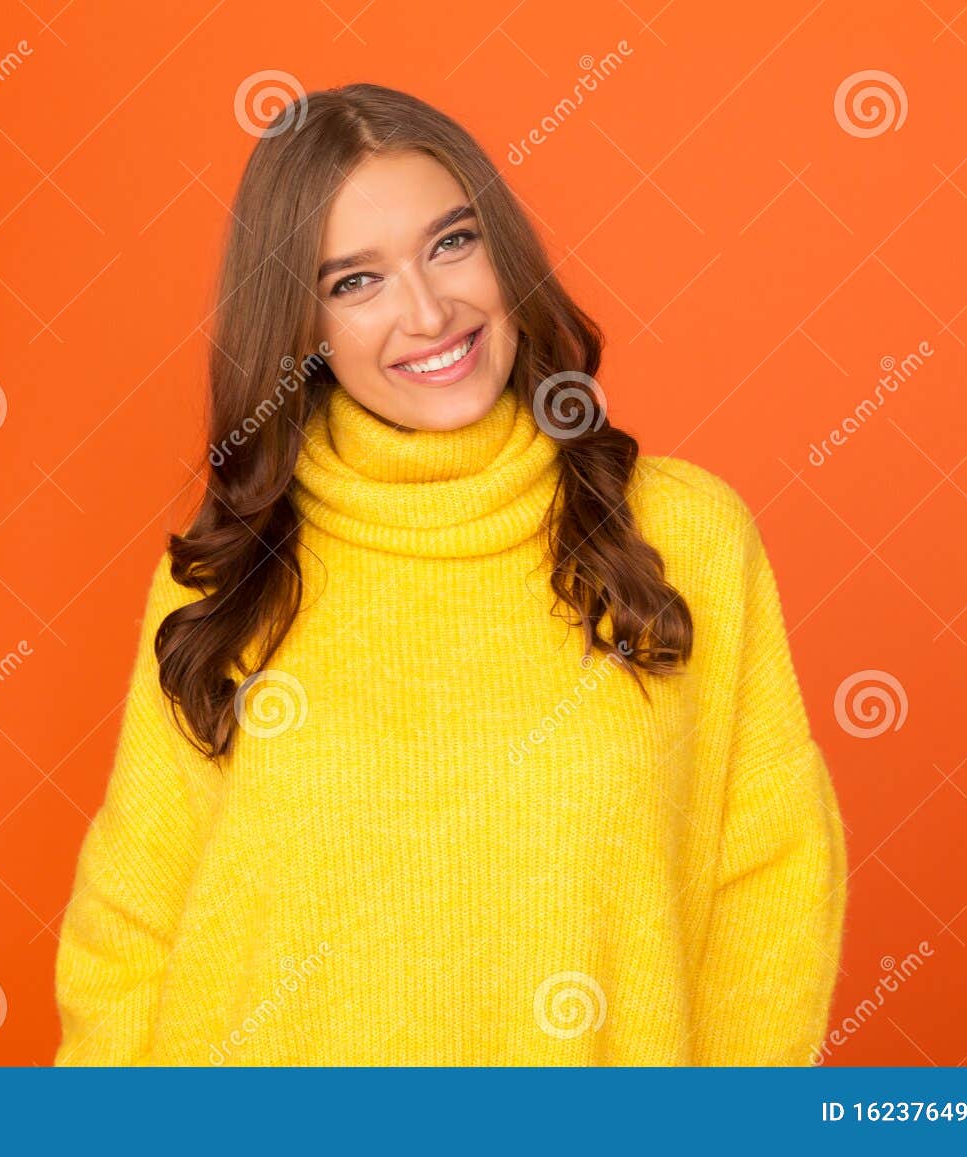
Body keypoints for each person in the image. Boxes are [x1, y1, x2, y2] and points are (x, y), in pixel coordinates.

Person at [52, 82, 847, 1066]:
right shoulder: (228, 575)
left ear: (502, 252)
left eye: (451, 243)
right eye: (354, 281)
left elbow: (767, 879)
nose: (428, 312)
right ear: (300, 328)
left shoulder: (682, 534)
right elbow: (131, 922)